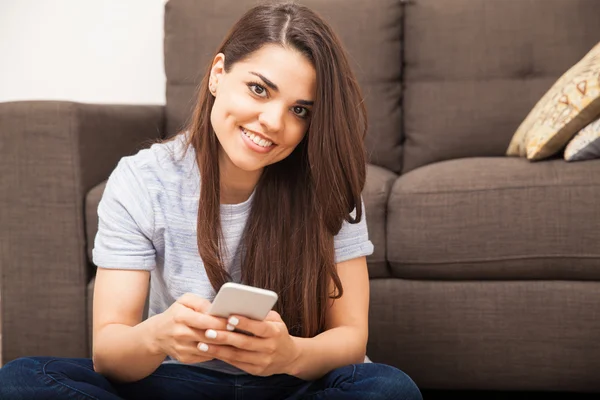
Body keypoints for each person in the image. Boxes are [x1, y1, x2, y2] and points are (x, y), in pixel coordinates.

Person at [0, 3, 422, 399]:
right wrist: (159, 335)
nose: (274, 122)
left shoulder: (327, 184)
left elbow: (350, 338)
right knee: (21, 380)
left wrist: (291, 354)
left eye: (300, 110)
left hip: (287, 381)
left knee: (390, 389)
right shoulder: (143, 180)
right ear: (218, 74)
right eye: (259, 89)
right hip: (175, 379)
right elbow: (110, 352)